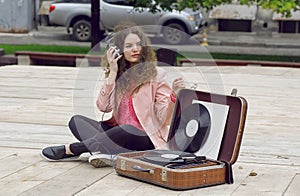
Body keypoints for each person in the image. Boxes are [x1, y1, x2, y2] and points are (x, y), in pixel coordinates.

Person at [40, 23, 185, 168]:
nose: (135, 49)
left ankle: (73, 149)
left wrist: (174, 97)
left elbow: (164, 119)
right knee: (76, 121)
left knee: (127, 129)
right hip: (115, 135)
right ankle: (109, 152)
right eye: (128, 46)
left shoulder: (157, 75)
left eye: (138, 44)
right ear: (118, 50)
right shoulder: (118, 74)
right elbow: (103, 107)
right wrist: (113, 73)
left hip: (143, 137)